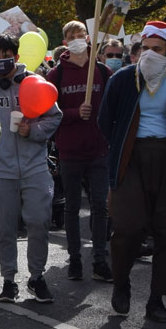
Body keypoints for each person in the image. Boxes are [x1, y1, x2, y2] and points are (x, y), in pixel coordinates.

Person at [101, 22, 166, 322]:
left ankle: (157, 300)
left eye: (157, 50)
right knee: (128, 227)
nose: (150, 55)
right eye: (145, 49)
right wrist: (121, 149)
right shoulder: (121, 80)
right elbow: (105, 123)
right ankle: (121, 284)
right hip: (133, 159)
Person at [0, 33, 59, 305]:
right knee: (4, 229)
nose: (2, 60)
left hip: (34, 167)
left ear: (16, 55)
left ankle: (37, 277)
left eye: (7, 54)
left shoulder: (34, 82)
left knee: (39, 222)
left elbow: (54, 116)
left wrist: (34, 130)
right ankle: (8, 281)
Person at [49, 22, 113, 282]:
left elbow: (112, 108)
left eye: (79, 35)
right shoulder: (57, 75)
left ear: (88, 38)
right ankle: (74, 259)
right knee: (72, 208)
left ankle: (99, 259)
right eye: (70, 36)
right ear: (65, 41)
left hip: (98, 151)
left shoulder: (102, 71)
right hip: (70, 152)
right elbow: (50, 113)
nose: (76, 39)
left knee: (100, 207)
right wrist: (75, 113)